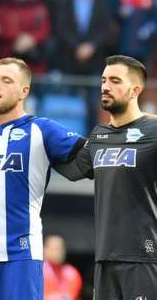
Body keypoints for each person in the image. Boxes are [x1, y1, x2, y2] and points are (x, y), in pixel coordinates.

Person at [0, 57, 86, 300]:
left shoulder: (42, 130)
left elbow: (89, 157)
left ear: (24, 90)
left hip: (20, 256)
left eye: (6, 80)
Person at [62, 55, 157, 299]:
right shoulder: (98, 135)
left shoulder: (154, 130)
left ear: (135, 89)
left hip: (144, 256)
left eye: (115, 81)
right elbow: (72, 170)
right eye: (104, 80)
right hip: (104, 258)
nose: (106, 86)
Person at [43, 235, 82, 300]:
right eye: (54, 248)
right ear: (45, 250)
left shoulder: (72, 273)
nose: (58, 252)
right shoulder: (37, 272)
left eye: (60, 248)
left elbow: (71, 296)